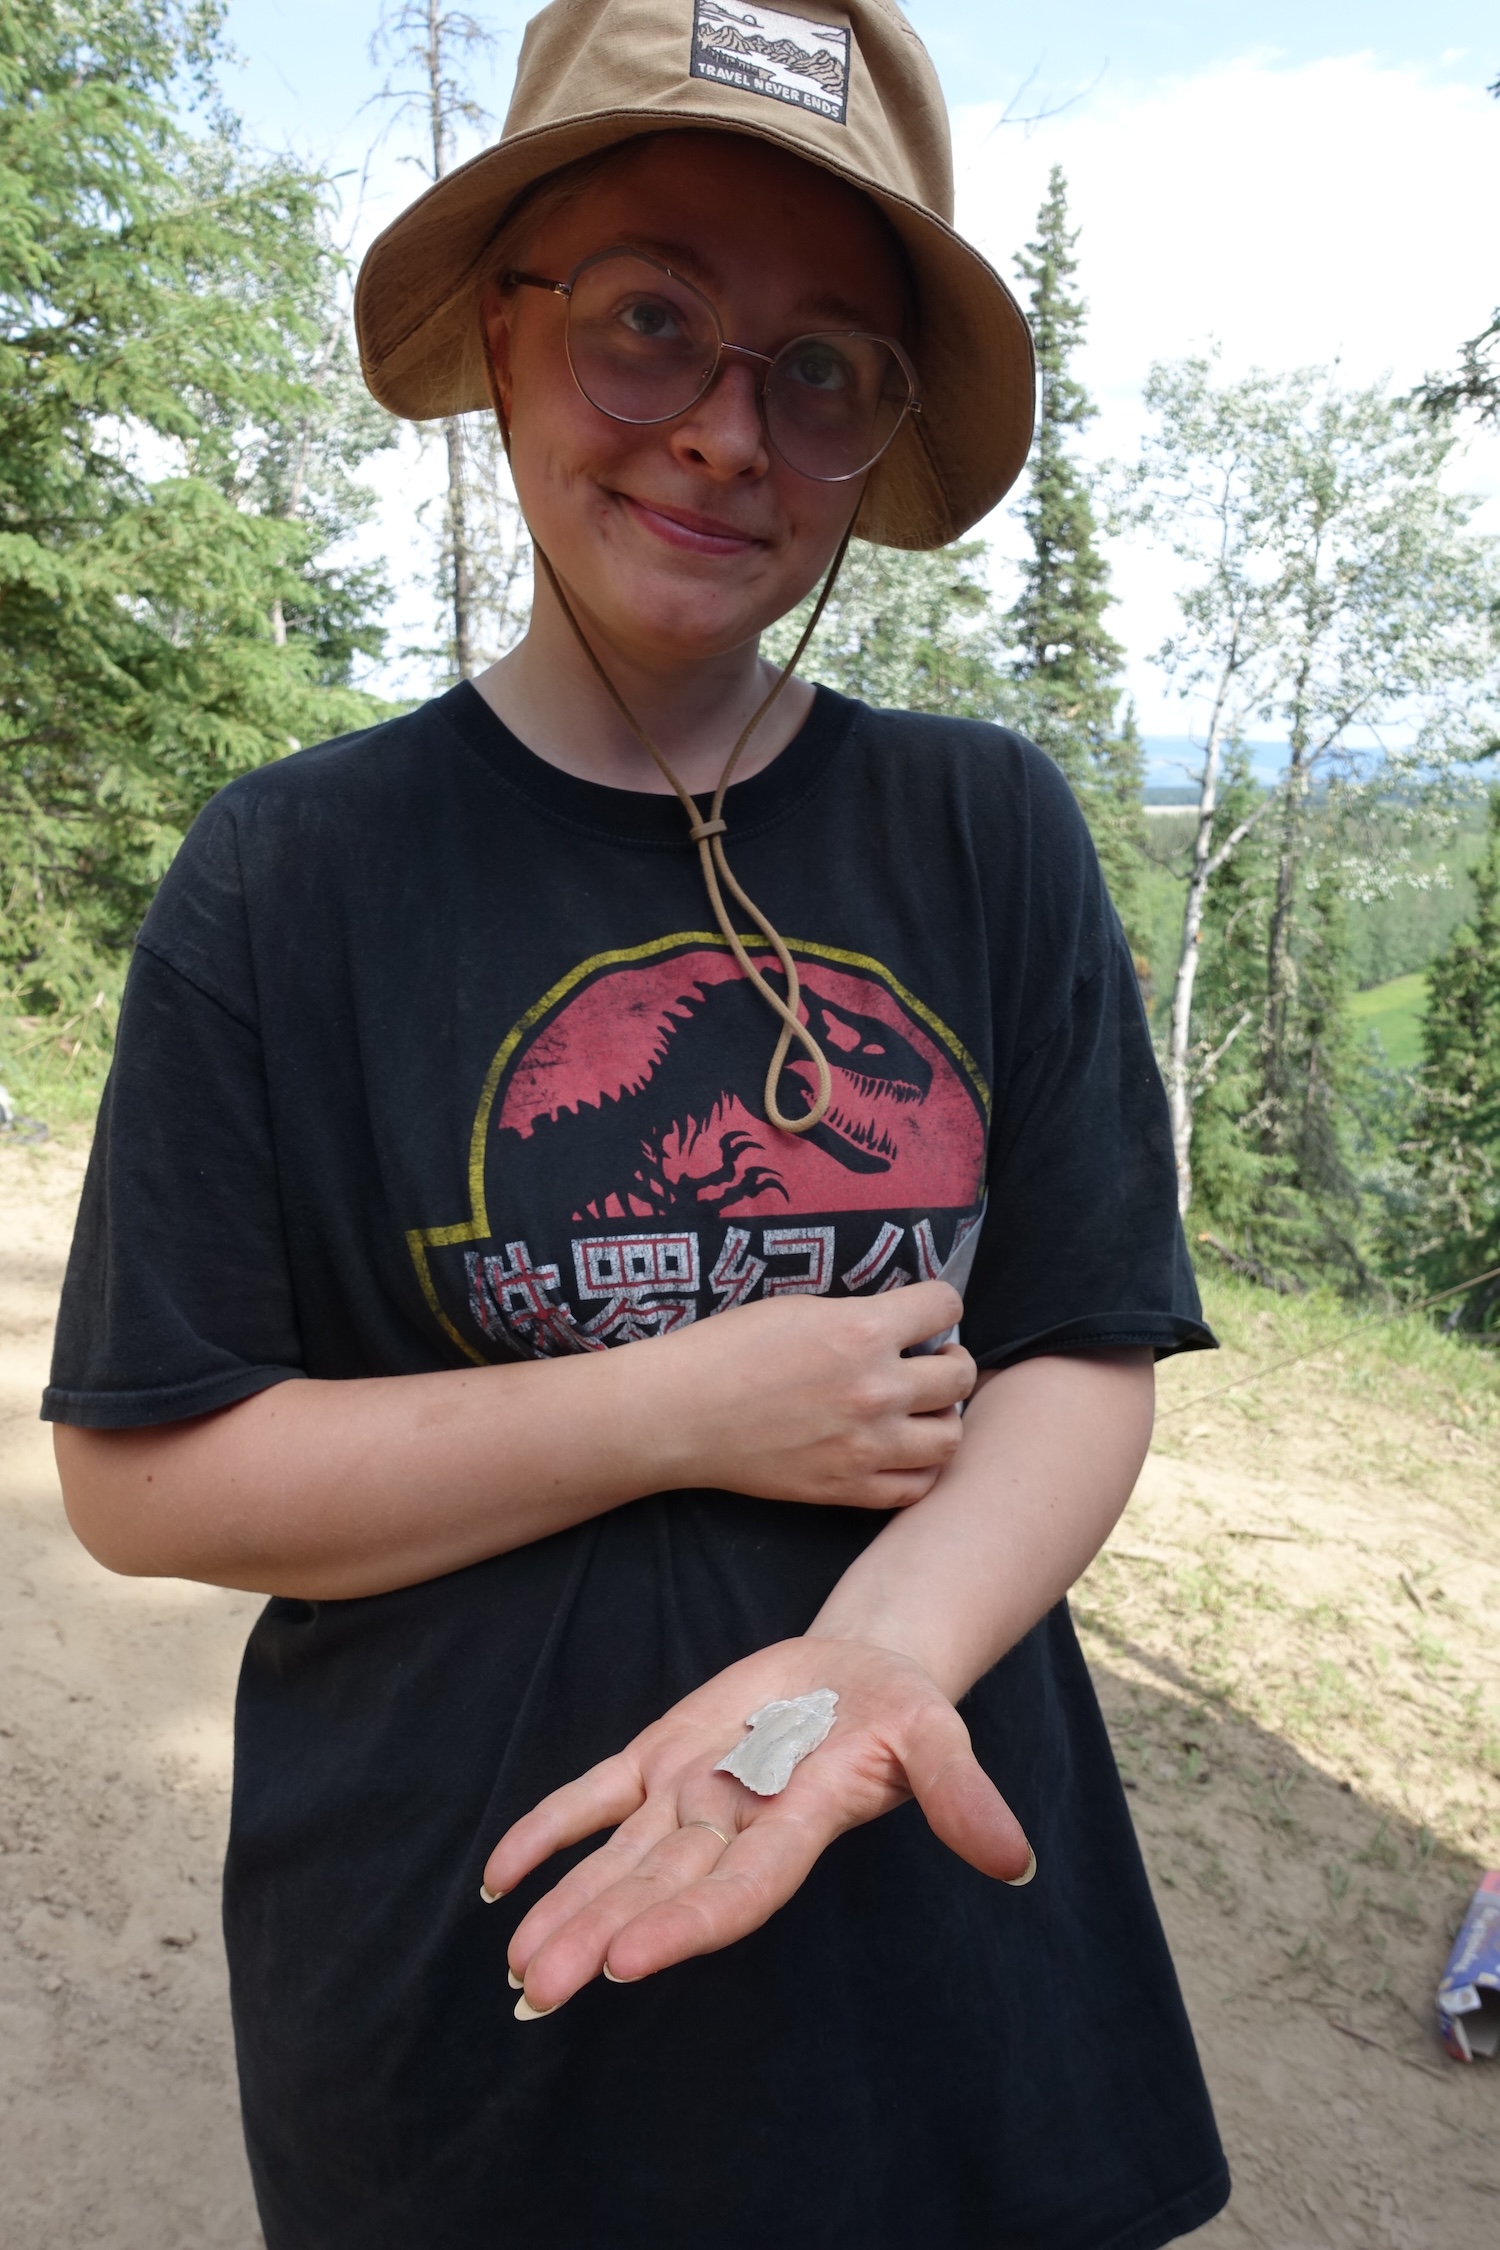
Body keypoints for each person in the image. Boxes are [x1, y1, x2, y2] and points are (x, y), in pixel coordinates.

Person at [46, 2, 1231, 2244]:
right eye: (647, 319)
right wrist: (679, 1405)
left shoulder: (984, 829)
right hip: (465, 1983)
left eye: (822, 367)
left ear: (879, 434)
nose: (722, 429)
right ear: (504, 336)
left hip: (940, 1960)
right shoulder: (292, 876)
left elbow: (1083, 1343)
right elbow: (143, 1474)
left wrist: (882, 1661)